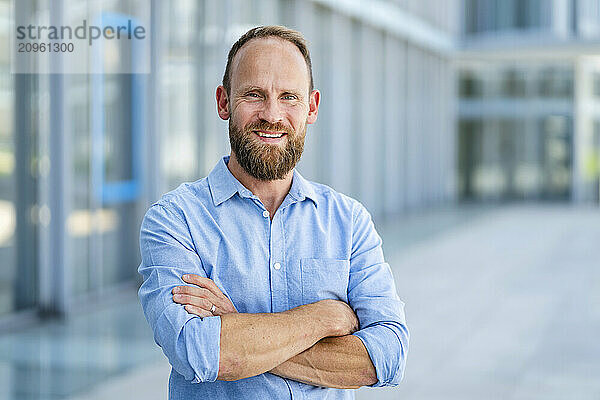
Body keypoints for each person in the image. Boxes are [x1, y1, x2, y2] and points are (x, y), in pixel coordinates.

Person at [138, 25, 408, 399]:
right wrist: (325, 317)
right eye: (254, 94)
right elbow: (198, 352)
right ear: (223, 102)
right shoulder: (174, 220)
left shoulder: (349, 222)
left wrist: (235, 331)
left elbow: (386, 357)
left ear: (311, 107)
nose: (272, 114)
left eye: (289, 97)